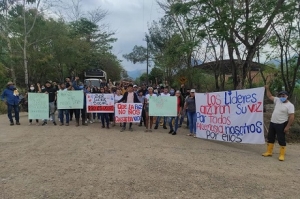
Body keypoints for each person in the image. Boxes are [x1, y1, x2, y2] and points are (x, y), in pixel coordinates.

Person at [262, 86, 295, 161]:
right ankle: (269, 151)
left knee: (281, 139)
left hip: (282, 124)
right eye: (280, 96)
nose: (281, 97)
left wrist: (287, 127)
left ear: (287, 96)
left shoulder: (290, 105)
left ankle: (282, 155)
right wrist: (267, 88)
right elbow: (270, 96)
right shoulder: (277, 100)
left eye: (283, 96)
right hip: (273, 122)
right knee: (270, 137)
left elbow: (292, 117)